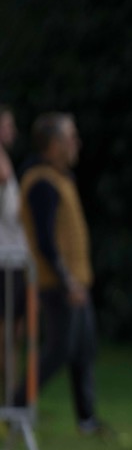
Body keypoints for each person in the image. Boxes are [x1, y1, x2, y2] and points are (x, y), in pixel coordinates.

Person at [14, 113, 106, 436]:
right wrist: (67, 280)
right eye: (70, 138)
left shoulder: (61, 178)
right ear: (53, 145)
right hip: (58, 283)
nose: (76, 144)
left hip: (76, 281)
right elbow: (45, 240)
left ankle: (86, 419)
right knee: (57, 353)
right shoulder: (42, 182)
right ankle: (16, 408)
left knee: (83, 349)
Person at [0, 105, 30, 392]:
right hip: (5, 258)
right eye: (7, 125)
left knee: (16, 330)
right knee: (7, 329)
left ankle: (12, 394)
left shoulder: (6, 161)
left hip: (17, 257)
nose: (13, 131)